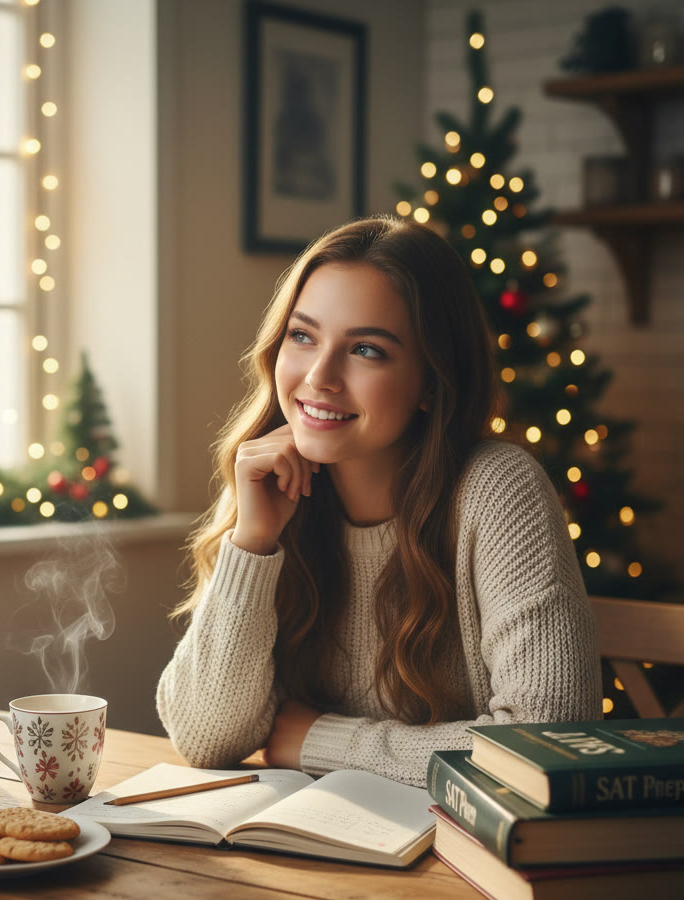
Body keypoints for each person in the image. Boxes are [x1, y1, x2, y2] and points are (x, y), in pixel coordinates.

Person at [156, 215, 602, 788]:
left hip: (461, 842)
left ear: (431, 382)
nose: (319, 376)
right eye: (302, 335)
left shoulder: (499, 491)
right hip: (313, 837)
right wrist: (254, 543)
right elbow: (206, 738)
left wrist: (319, 740)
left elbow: (549, 742)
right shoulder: (271, 484)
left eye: (366, 349)